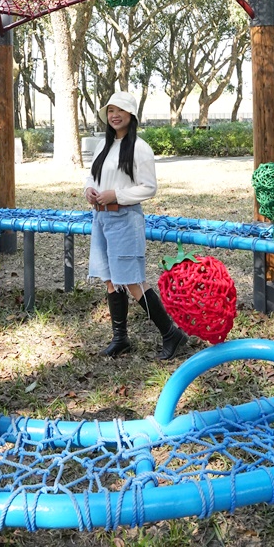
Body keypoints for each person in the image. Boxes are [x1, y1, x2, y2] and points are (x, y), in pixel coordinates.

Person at [84, 91, 187, 360]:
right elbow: (92, 177)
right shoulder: (102, 146)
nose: (114, 115)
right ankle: (120, 338)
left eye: (120, 110)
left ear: (131, 115)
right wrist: (89, 191)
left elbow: (149, 188)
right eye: (110, 111)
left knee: (131, 280)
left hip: (125, 220)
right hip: (101, 218)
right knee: (109, 279)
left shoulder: (140, 148)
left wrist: (116, 195)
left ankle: (170, 333)